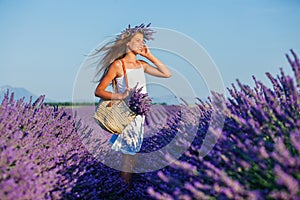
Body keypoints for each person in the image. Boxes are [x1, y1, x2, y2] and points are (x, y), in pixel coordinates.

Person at [94, 23, 171, 188]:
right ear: (127, 43)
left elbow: (167, 73)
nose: (141, 44)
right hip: (126, 117)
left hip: (139, 118)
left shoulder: (141, 65)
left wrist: (150, 56)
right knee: (128, 159)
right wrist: (121, 95)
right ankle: (124, 192)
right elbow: (99, 91)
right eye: (137, 41)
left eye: (142, 41)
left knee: (132, 158)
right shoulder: (118, 65)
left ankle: (123, 190)